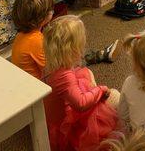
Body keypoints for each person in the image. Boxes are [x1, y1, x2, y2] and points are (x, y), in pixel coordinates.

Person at [43, 15, 119, 151]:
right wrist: (100, 90)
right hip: (66, 124)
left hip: (59, 108)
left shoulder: (52, 64)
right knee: (114, 96)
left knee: (86, 73)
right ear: (72, 48)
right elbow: (81, 104)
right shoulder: (64, 76)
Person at [11, 0, 121, 80]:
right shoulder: (36, 42)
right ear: (40, 17)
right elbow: (54, 71)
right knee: (84, 72)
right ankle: (100, 55)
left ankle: (97, 55)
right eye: (50, 9)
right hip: (42, 88)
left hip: (35, 78)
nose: (52, 10)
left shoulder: (22, 35)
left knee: (68, 52)